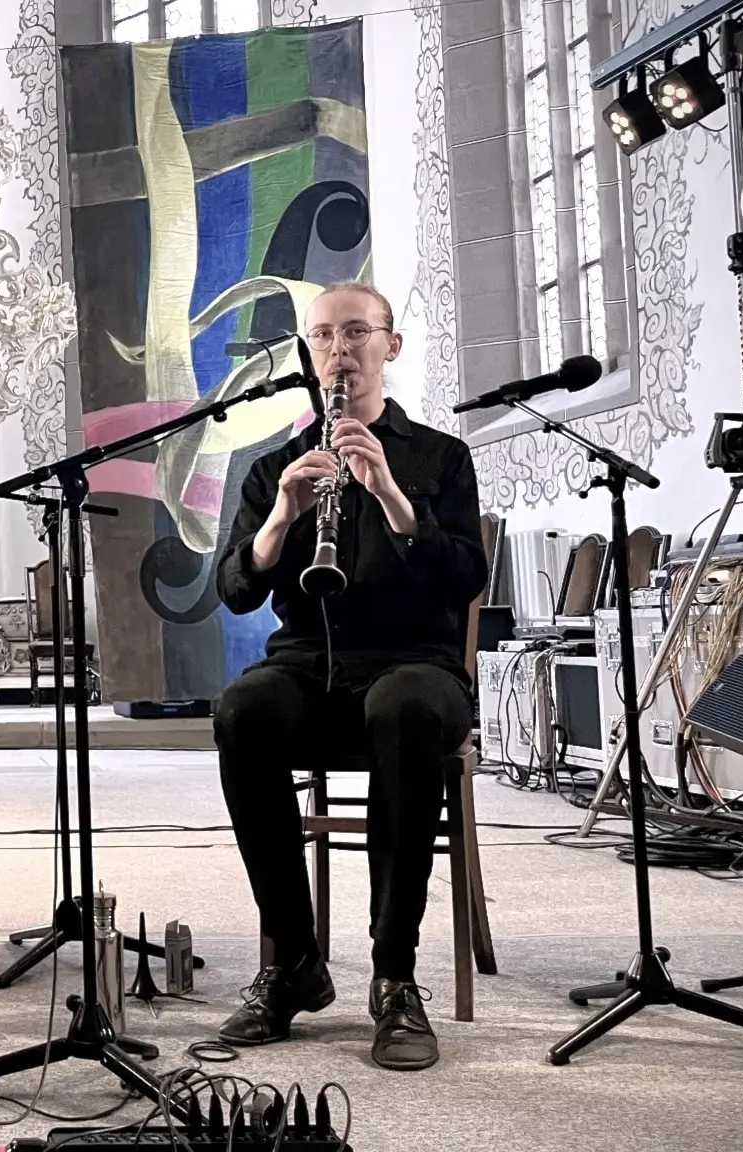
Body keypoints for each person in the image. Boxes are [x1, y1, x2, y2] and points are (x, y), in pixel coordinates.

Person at [212, 282, 487, 1071]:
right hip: (309, 671)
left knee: (402, 710)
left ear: (389, 347)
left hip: (415, 667)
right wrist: (280, 520)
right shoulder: (276, 468)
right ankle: (295, 963)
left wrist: (395, 499)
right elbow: (236, 589)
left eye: (357, 333)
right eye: (325, 336)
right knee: (243, 711)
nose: (340, 350)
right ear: (309, 353)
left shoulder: (440, 458)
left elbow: (464, 579)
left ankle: (394, 976)